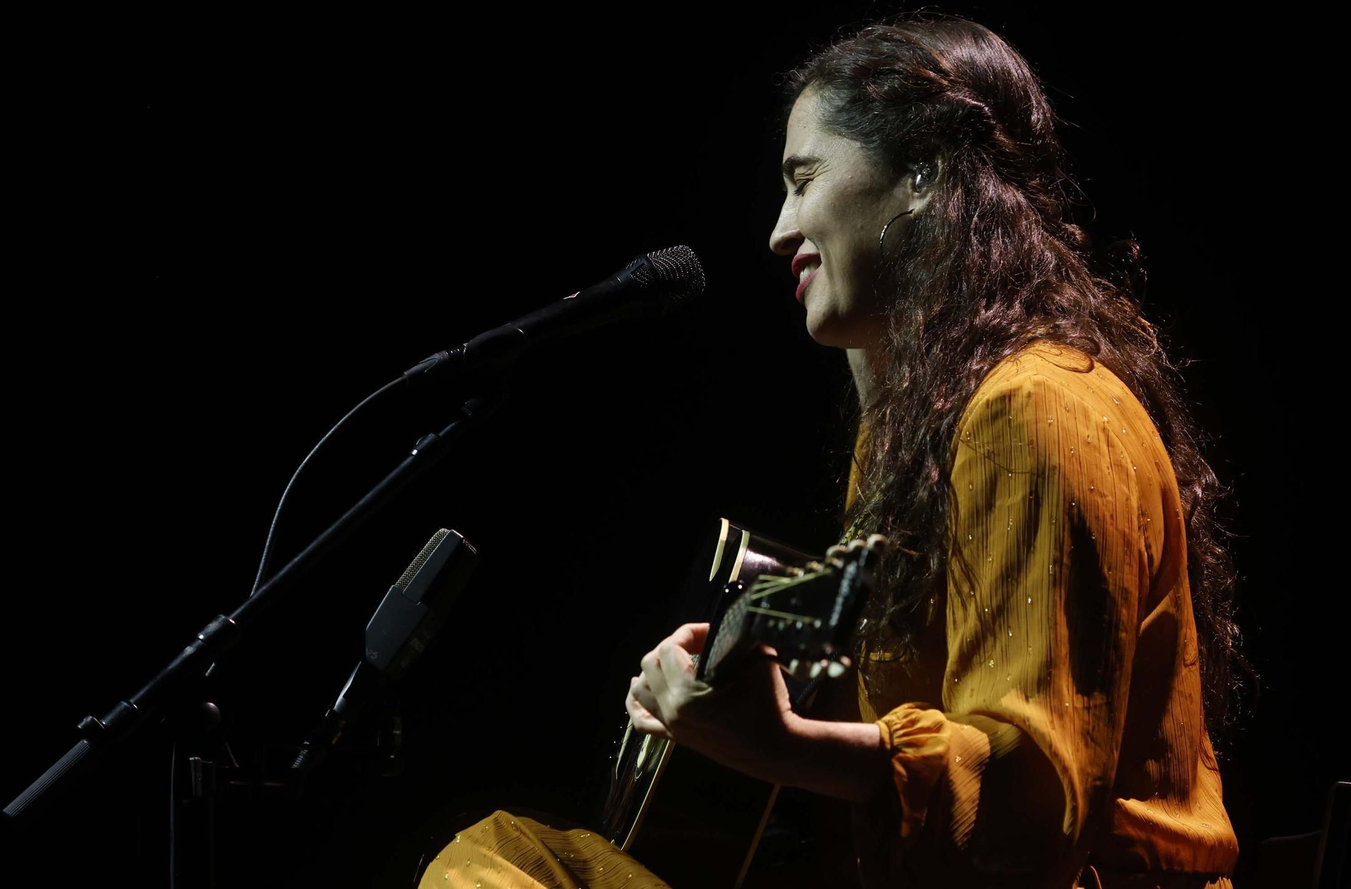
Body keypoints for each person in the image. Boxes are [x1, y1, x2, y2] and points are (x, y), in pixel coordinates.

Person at [421, 15, 1247, 889]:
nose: (779, 230)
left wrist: (780, 743)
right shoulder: (925, 427)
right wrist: (720, 702)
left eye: (804, 179)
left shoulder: (1037, 408)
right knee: (506, 854)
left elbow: (1032, 808)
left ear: (925, 174)